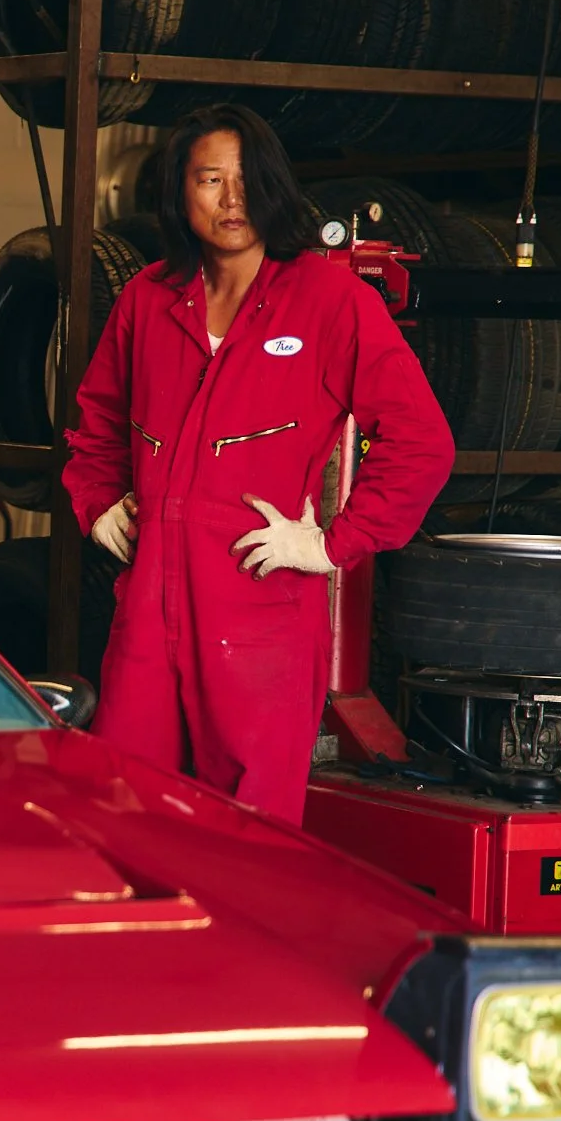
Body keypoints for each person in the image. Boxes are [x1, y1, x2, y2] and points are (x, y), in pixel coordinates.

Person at [62, 103, 454, 826]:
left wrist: (332, 544)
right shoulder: (148, 300)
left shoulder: (331, 301)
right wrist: (98, 504)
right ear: (182, 191)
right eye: (210, 179)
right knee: (124, 818)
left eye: (246, 180)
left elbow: (421, 442)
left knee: (249, 839)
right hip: (147, 617)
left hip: (259, 618)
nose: (231, 200)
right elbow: (98, 423)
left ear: (274, 186)